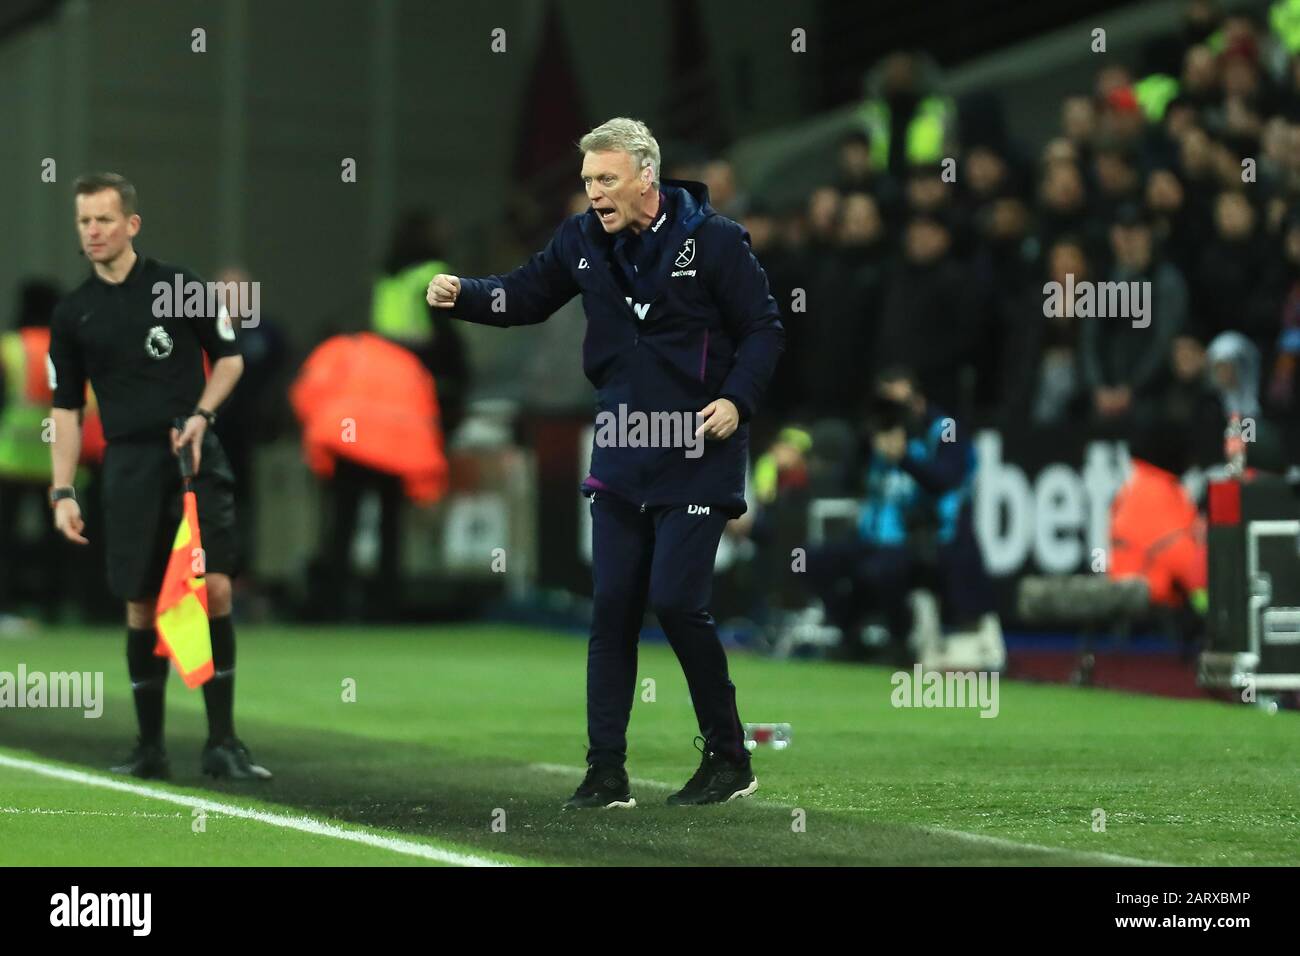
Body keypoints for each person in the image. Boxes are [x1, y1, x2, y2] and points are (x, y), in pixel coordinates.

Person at [427, 117, 784, 808]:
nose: (594, 193)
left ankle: (730, 756)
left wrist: (738, 401)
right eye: (588, 180)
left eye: (607, 179)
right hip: (622, 444)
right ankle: (606, 771)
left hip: (698, 443)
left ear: (646, 175)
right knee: (613, 607)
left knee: (678, 601)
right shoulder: (581, 239)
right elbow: (526, 295)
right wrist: (465, 294)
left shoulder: (713, 240)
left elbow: (764, 327)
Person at [46, 172, 270, 781]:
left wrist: (201, 415)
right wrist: (62, 489)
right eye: (84, 221)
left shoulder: (178, 287)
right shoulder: (74, 313)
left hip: (193, 456)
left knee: (215, 588)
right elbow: (66, 408)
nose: (92, 231)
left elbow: (229, 358)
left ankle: (222, 742)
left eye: (104, 220)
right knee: (142, 604)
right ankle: (150, 748)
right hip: (128, 466)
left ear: (132, 225)